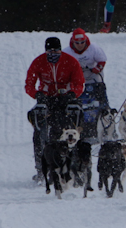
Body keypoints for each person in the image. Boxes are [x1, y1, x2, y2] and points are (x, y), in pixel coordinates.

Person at [25, 37, 85, 179]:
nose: (53, 53)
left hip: (67, 99)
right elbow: (29, 84)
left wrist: (72, 94)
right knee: (39, 130)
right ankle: (41, 168)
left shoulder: (71, 62)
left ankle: (78, 165)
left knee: (76, 123)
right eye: (50, 51)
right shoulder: (38, 62)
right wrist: (37, 94)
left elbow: (79, 83)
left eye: (56, 51)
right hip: (47, 99)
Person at [62, 28, 110, 110]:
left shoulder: (94, 48)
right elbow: (62, 67)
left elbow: (102, 60)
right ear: (73, 41)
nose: (80, 45)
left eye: (82, 42)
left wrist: (98, 68)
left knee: (100, 85)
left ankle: (104, 107)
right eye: (77, 43)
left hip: (93, 75)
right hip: (76, 77)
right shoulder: (66, 52)